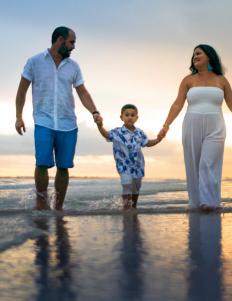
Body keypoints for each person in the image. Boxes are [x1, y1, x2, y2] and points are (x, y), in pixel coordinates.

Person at [158, 44, 232, 211]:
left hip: (216, 126)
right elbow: (177, 104)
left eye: (198, 53)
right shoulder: (188, 80)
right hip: (191, 125)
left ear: (209, 56)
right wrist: (166, 125)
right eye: (193, 54)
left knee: (208, 163)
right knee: (193, 165)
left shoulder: (221, 80)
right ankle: (196, 203)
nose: (195, 56)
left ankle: (210, 202)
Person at [15, 26, 102, 210]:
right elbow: (22, 90)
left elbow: (83, 92)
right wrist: (18, 116)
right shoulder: (34, 61)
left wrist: (94, 111)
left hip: (68, 123)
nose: (73, 47)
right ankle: (41, 203)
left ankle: (58, 207)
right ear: (60, 40)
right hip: (43, 121)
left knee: (63, 167)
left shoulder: (74, 66)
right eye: (71, 42)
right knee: (42, 164)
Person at [97, 104, 162, 209]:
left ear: (137, 118)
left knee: (136, 189)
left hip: (138, 165)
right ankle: (126, 208)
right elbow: (106, 134)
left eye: (133, 115)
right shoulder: (117, 132)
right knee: (127, 185)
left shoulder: (140, 133)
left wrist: (158, 139)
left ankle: (134, 208)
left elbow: (147, 143)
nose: (130, 117)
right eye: (127, 115)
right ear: (121, 117)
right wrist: (100, 126)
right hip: (123, 165)